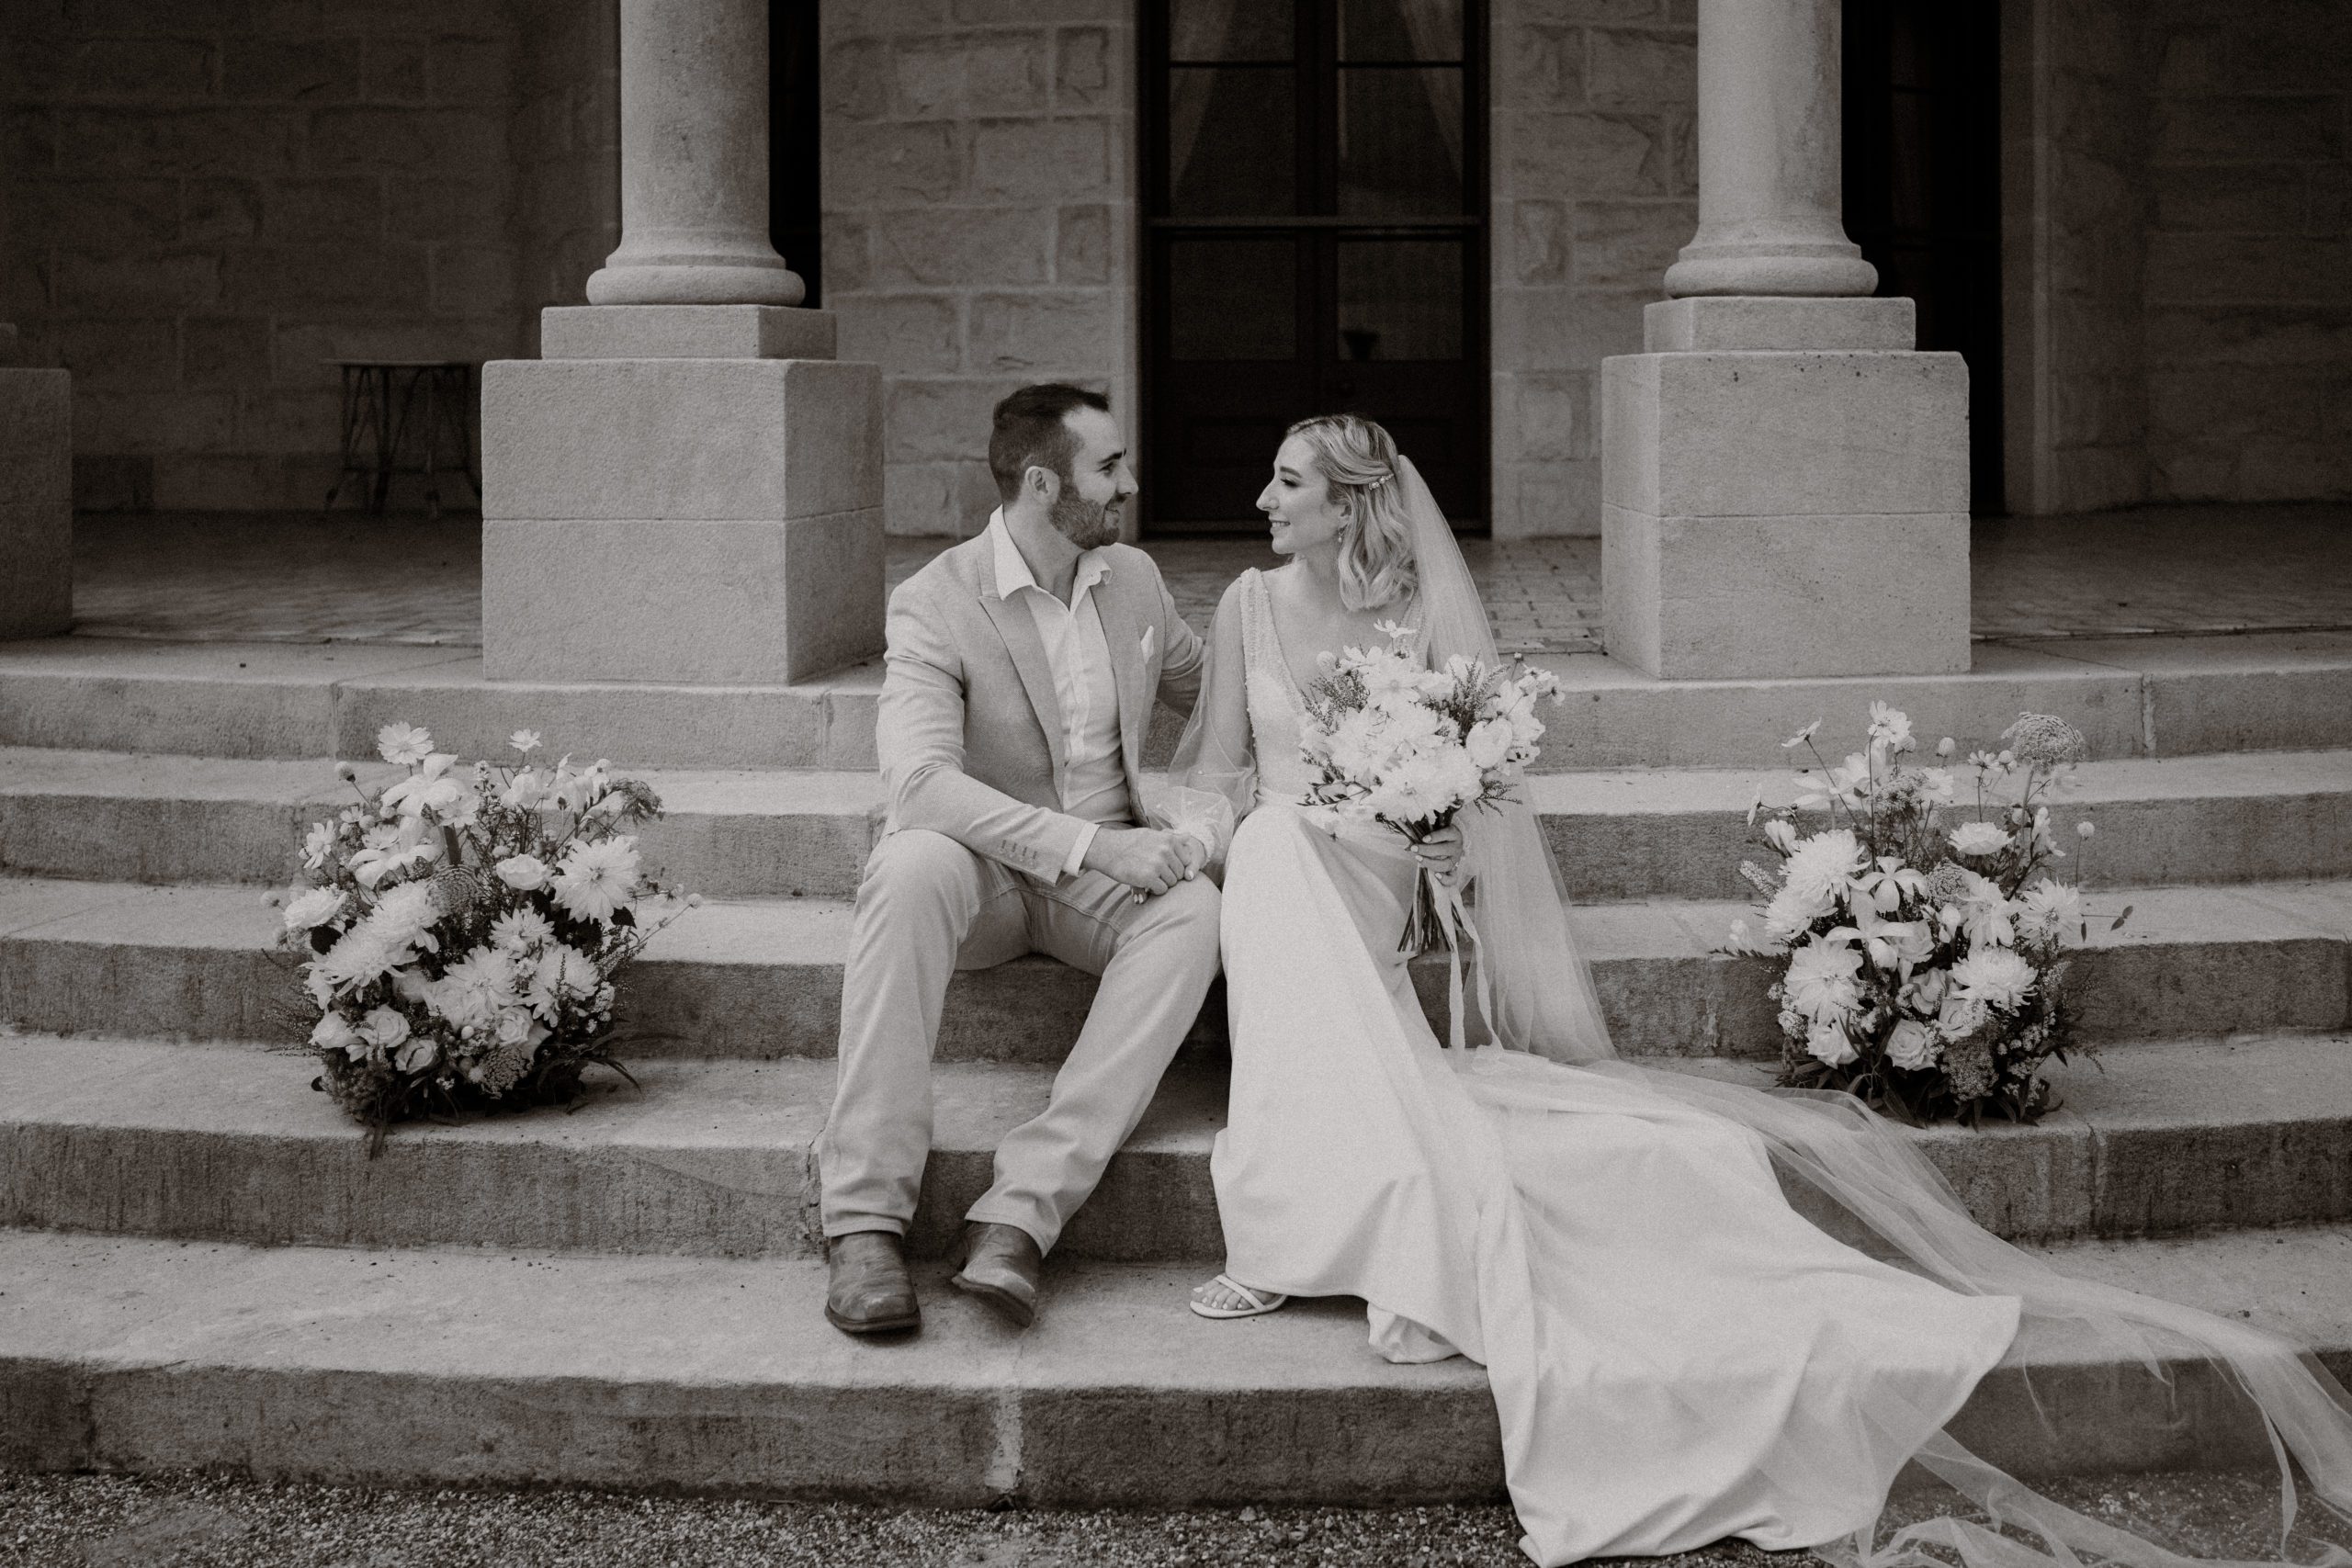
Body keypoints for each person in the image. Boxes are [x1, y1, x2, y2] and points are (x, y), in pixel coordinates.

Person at [1167, 413, 2352, 1566]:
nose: (1262, 503)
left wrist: (1435, 842)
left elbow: (1470, 802)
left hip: (1378, 867)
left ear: (1349, 504)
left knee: (1290, 865)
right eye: (1272, 482)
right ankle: (1334, 1191)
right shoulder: (1244, 607)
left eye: (1286, 484)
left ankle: (1300, 1217)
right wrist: (1201, 845)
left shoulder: (1422, 613)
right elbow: (1217, 764)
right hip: (1281, 847)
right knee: (1268, 855)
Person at [814, 383, 1220, 1337]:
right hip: (984, 877)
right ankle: (864, 1220)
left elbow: (1220, 691)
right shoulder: (934, 602)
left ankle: (1019, 1216)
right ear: (1044, 483)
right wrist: (1091, 843)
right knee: (909, 863)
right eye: (1108, 466)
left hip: (1099, 888)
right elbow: (918, 783)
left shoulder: (1135, 582)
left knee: (1195, 911)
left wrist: (1359, 681)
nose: (1129, 482)